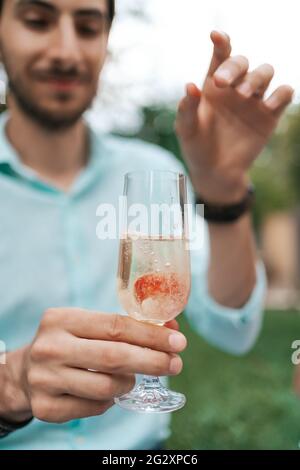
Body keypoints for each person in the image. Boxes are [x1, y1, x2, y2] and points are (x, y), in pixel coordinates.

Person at [0, 0, 293, 450]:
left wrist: (223, 190)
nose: (65, 50)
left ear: (107, 41)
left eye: (87, 26)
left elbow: (233, 328)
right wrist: (11, 384)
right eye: (37, 21)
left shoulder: (152, 170)